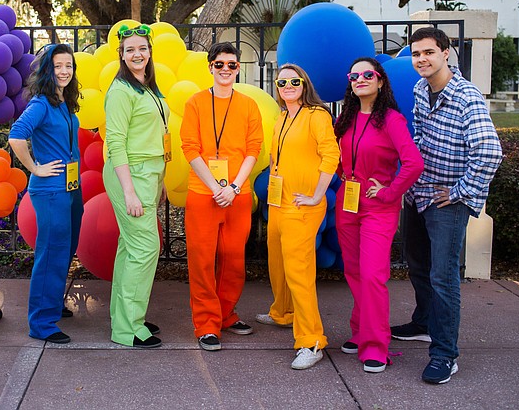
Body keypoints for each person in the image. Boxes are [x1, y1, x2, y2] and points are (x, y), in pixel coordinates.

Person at [392, 27, 502, 384]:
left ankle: (444, 354)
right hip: (420, 193)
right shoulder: (420, 89)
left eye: (428, 52)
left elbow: (489, 152)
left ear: (446, 53)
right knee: (418, 263)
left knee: (443, 277)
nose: (421, 59)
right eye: (416, 53)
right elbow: (421, 137)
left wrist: (458, 191)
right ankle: (424, 322)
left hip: (448, 201)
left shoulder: (467, 96)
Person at [333, 58, 423, 373]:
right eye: (354, 75)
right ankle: (361, 332)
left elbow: (413, 164)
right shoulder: (346, 118)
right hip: (348, 202)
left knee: (372, 275)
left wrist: (387, 191)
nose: (360, 78)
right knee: (355, 273)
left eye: (367, 74)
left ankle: (375, 345)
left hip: (377, 207)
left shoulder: (392, 120)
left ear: (380, 81)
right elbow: (339, 158)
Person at [180, 42, 263, 351]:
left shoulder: (249, 105)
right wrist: (216, 187)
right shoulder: (195, 103)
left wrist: (234, 188)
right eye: (219, 64)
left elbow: (254, 149)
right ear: (210, 67)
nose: (225, 69)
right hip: (204, 192)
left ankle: (226, 314)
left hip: (236, 194)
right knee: (202, 261)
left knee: (233, 260)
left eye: (231, 64)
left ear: (238, 68)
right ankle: (206, 324)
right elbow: (190, 147)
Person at [256, 63, 339, 370]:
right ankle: (282, 312)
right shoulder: (281, 117)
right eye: (282, 82)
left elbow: (332, 154)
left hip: (302, 207)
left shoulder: (317, 116)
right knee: (276, 262)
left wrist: (318, 194)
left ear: (305, 84)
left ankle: (311, 340)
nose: (287, 86)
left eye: (294, 81)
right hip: (279, 204)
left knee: (299, 273)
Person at [9, 44, 84, 344]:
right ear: (46, 70)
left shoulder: (63, 102)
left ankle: (51, 303)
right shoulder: (40, 103)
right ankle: (41, 322)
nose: (64, 71)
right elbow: (16, 136)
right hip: (51, 189)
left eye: (69, 65)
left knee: (65, 250)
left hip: (70, 187)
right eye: (58, 66)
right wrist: (35, 168)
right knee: (51, 253)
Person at [103, 24, 166, 348]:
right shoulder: (120, 91)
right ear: (122, 55)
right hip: (132, 174)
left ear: (150, 51)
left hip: (149, 172)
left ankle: (125, 316)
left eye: (142, 48)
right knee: (145, 249)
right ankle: (128, 328)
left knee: (131, 248)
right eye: (130, 50)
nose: (137, 54)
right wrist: (129, 191)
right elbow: (115, 143)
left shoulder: (148, 86)